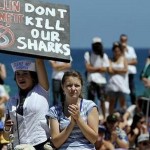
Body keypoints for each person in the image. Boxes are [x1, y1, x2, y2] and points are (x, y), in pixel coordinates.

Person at [3, 59, 50, 150]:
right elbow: (6, 136)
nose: (21, 77)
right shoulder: (11, 101)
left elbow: (39, 62)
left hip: (40, 144)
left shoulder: (41, 91)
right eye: (18, 74)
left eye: (25, 73)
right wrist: (7, 128)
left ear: (33, 76)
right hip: (19, 146)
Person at [47, 70, 99, 150]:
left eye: (77, 85)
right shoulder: (54, 110)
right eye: (69, 85)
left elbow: (93, 139)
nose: (73, 88)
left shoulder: (90, 106)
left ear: (81, 87)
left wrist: (78, 119)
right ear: (62, 87)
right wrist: (71, 124)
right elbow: (56, 143)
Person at [84, 36, 109, 120]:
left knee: (102, 100)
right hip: (91, 80)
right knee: (91, 100)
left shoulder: (104, 55)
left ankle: (105, 117)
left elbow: (105, 69)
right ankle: (91, 116)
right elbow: (87, 68)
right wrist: (99, 68)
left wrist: (93, 68)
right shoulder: (88, 54)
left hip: (101, 81)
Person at [106, 42, 130, 114]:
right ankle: (110, 118)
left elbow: (125, 70)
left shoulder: (124, 59)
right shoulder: (110, 60)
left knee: (122, 103)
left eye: (118, 51)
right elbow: (109, 71)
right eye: (115, 51)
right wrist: (120, 70)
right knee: (112, 103)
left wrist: (115, 70)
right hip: (112, 85)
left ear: (120, 51)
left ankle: (123, 118)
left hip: (121, 85)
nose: (116, 52)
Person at [120, 34, 137, 105]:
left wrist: (125, 63)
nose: (124, 41)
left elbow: (135, 61)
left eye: (125, 40)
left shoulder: (131, 49)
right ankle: (123, 108)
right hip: (122, 74)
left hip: (130, 73)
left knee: (132, 91)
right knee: (122, 92)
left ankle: (134, 106)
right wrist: (123, 50)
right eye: (122, 40)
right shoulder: (118, 50)